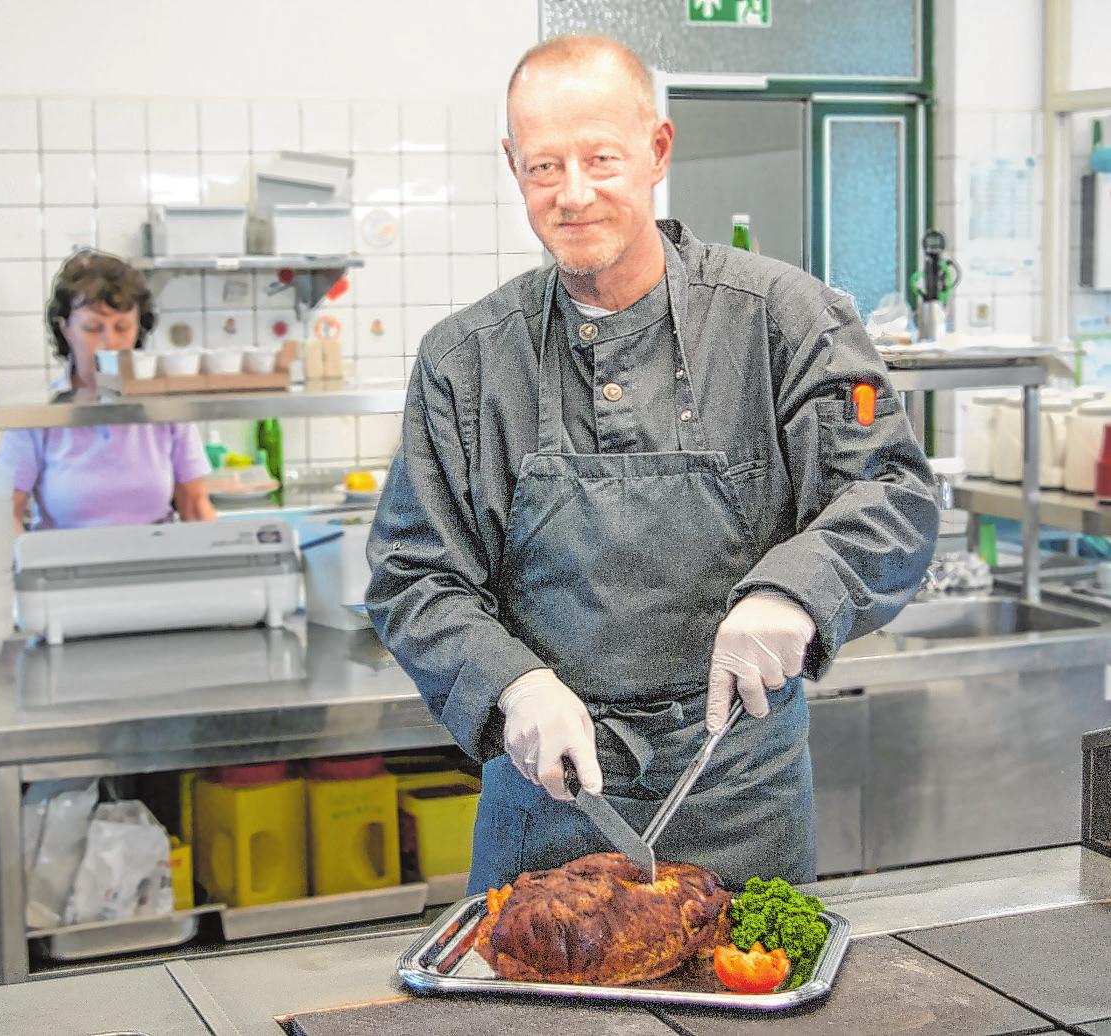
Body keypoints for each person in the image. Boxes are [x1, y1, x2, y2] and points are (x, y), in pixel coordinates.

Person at [365, 35, 937, 894]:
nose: (573, 193)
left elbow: (890, 494)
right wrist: (512, 685)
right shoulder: (465, 361)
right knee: (539, 983)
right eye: (544, 166)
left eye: (600, 158)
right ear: (512, 165)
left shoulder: (784, 320)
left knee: (745, 984)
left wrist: (795, 591)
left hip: (740, 793)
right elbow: (414, 575)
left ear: (657, 151)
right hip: (549, 798)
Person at [0, 250, 216, 532]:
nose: (109, 342)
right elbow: (6, 514)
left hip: (154, 555)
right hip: (65, 558)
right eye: (92, 328)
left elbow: (195, 506)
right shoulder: (40, 415)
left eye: (122, 328)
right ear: (66, 329)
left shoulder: (165, 409)